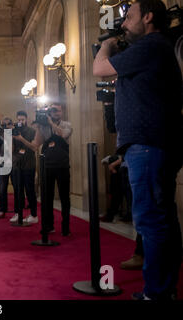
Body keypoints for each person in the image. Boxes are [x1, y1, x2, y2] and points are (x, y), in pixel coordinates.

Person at [93, 0, 182, 300]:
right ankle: (164, 290)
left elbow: (99, 68)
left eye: (129, 16)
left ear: (148, 16)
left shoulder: (151, 44)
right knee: (163, 219)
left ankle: (156, 294)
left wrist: (106, 43)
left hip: (149, 146)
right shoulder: (152, 49)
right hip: (150, 144)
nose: (125, 23)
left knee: (150, 220)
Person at [30, 103, 73, 236]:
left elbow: (63, 135)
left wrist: (51, 123)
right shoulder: (44, 126)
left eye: (57, 111)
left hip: (62, 165)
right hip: (47, 165)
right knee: (46, 197)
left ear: (61, 112)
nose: (54, 113)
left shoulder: (67, 124)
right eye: (52, 111)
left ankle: (66, 227)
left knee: (64, 197)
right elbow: (35, 145)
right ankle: (48, 226)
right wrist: (36, 128)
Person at [10, 111, 38, 225]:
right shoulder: (15, 131)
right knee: (17, 190)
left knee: (30, 190)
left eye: (22, 120)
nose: (20, 122)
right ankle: (18, 212)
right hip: (17, 164)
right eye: (19, 120)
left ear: (27, 119)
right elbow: (11, 150)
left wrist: (21, 139)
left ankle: (33, 214)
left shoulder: (32, 131)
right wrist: (11, 137)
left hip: (29, 164)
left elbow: (33, 147)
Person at [0, 117, 14, 219]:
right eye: (3, 125)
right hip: (3, 163)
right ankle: (2, 209)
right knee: (2, 188)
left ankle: (17, 210)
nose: (5, 127)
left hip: (15, 163)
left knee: (17, 186)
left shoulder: (15, 133)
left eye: (7, 124)